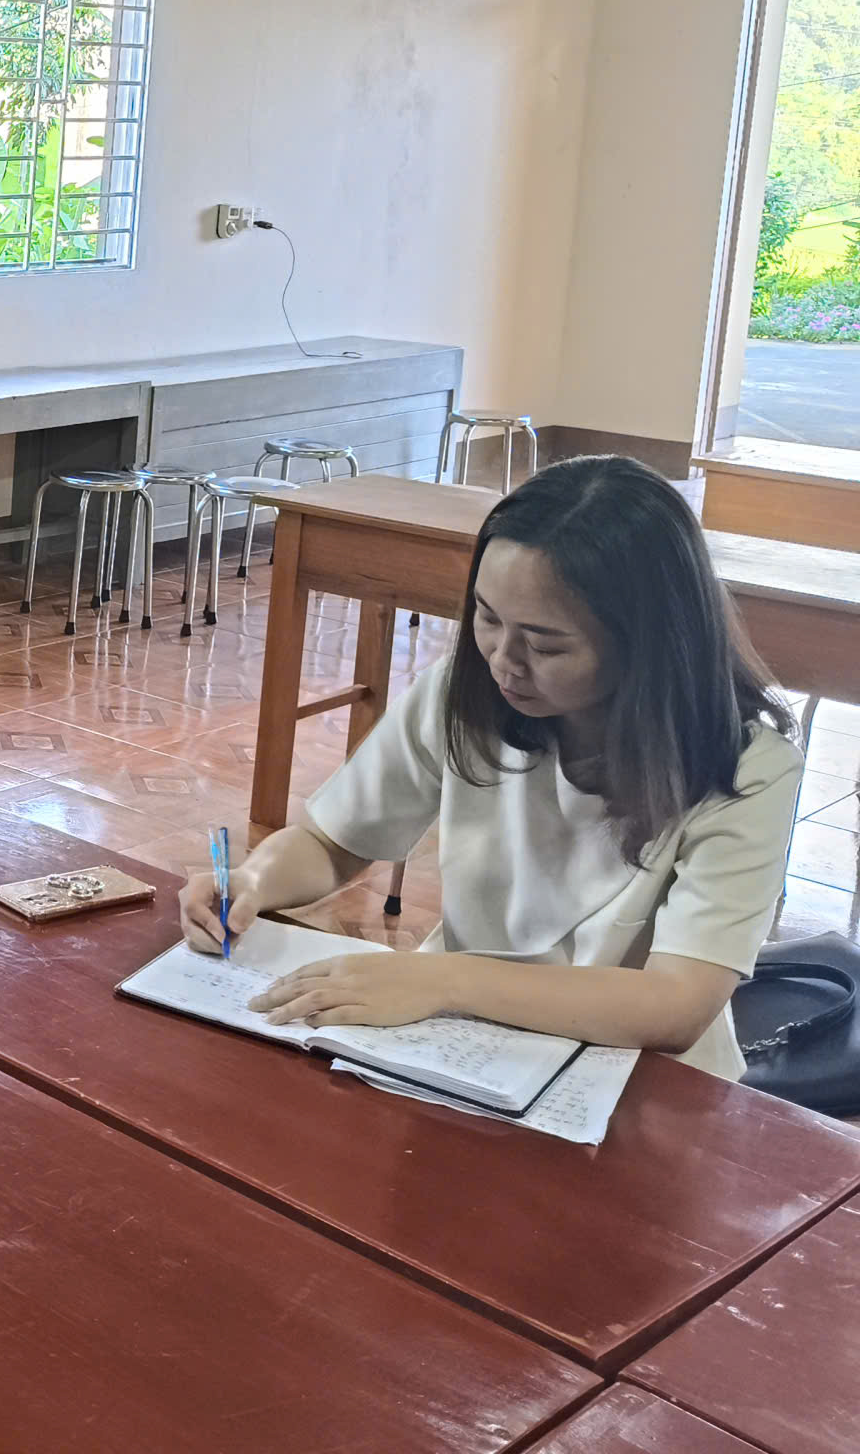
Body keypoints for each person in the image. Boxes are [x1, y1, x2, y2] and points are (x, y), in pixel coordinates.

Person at [178, 455, 801, 1080]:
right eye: (487, 617)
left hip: (643, 1081)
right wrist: (253, 881)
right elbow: (331, 842)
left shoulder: (745, 769)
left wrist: (443, 979)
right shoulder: (465, 697)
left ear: (647, 642)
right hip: (460, 1045)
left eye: (545, 643)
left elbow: (675, 1004)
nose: (504, 659)